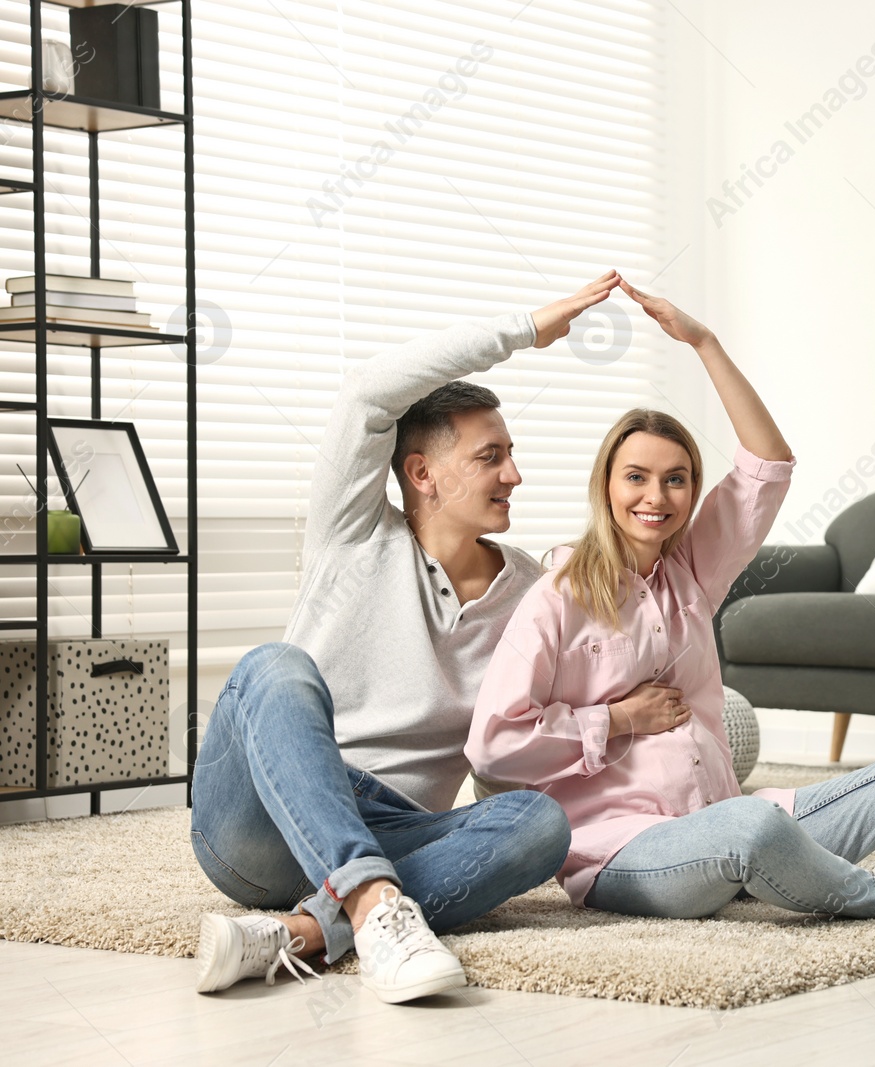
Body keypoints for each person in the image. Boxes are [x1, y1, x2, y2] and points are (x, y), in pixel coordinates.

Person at [467, 278, 875, 975]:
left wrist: (705, 343)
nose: (655, 497)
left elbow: (767, 466)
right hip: (623, 852)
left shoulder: (693, 570)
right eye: (636, 476)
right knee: (754, 827)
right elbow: (493, 746)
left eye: (676, 480)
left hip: (724, 809)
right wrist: (619, 719)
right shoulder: (556, 598)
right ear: (606, 484)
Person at [189, 273, 626, 1003]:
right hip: (261, 823)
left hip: (397, 829)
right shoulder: (353, 530)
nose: (515, 474)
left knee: (539, 822)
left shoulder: (533, 594)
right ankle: (372, 905)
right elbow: (368, 390)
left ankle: (307, 930)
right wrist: (522, 327)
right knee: (275, 666)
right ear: (421, 472)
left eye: (511, 454)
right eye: (491, 457)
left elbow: (524, 741)